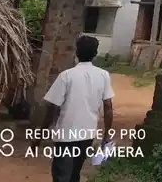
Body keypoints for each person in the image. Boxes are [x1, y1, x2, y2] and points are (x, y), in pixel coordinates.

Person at [32, 35, 114, 182]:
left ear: (77, 52)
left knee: (61, 175)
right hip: (87, 134)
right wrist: (106, 135)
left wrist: (40, 135)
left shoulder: (66, 76)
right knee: (74, 173)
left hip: (66, 135)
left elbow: (52, 109)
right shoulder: (103, 76)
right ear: (95, 54)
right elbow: (108, 107)